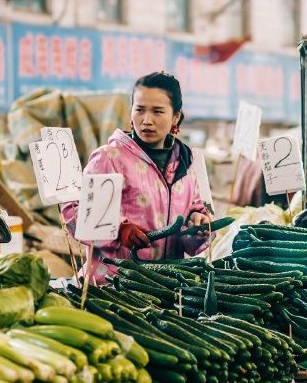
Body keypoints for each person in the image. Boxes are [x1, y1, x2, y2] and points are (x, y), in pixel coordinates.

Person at [63, 72, 211, 282]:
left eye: (158, 111)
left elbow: (196, 211)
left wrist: (198, 228)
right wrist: (118, 229)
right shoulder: (110, 157)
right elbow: (74, 210)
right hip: (114, 286)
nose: (147, 120)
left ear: (176, 116)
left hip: (167, 289)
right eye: (139, 109)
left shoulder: (186, 164)